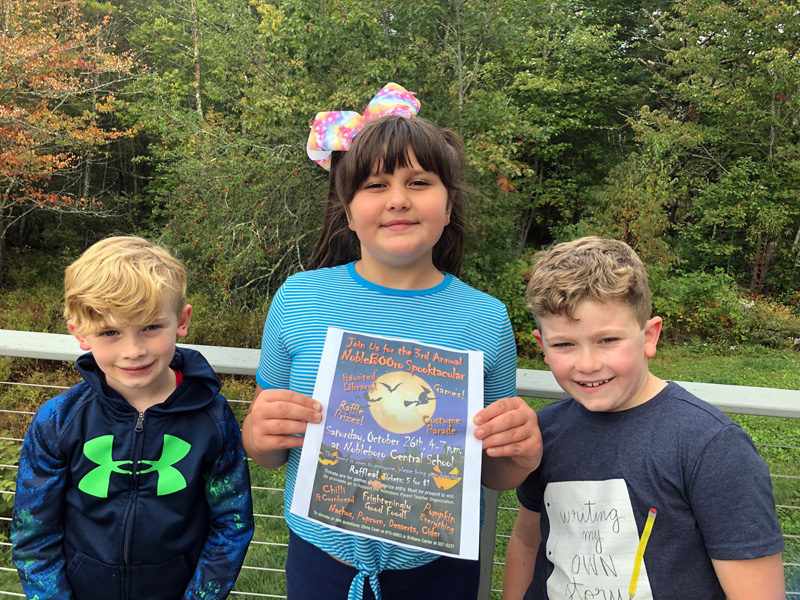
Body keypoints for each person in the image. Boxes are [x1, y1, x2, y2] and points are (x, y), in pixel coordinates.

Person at [242, 83, 542, 600]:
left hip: (439, 571)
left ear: (449, 207)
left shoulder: (486, 320)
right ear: (347, 208)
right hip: (320, 562)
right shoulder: (298, 299)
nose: (398, 199)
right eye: (376, 184)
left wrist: (521, 455)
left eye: (419, 181)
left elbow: (492, 471)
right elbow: (268, 451)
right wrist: (258, 434)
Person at [502, 236, 785, 600]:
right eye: (564, 344)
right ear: (542, 348)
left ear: (649, 336)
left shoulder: (712, 446)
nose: (587, 364)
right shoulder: (546, 431)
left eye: (608, 340)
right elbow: (528, 540)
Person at [11, 236, 254, 600]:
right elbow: (34, 533)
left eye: (151, 327)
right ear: (79, 333)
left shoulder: (214, 420)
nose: (133, 351)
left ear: (182, 321)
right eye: (110, 332)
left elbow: (231, 524)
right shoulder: (58, 421)